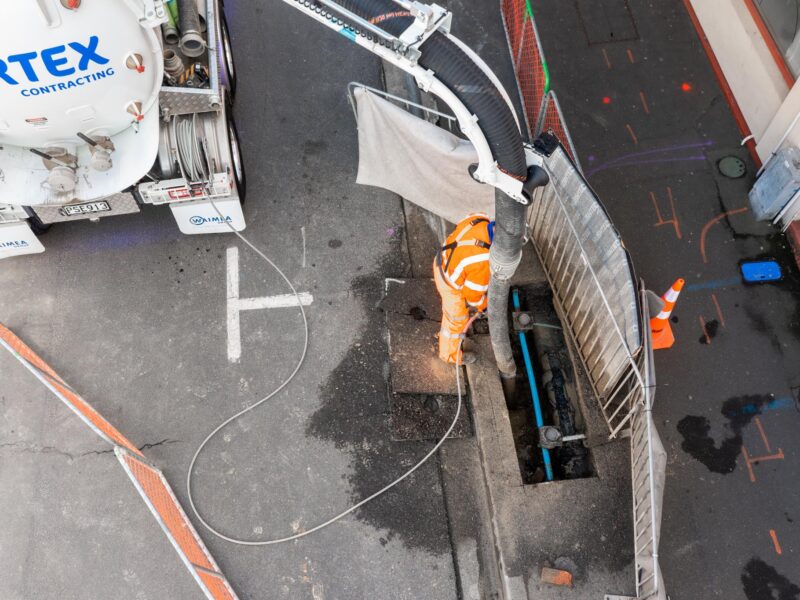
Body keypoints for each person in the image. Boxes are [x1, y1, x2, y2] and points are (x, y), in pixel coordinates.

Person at [433, 213, 494, 365]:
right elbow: (472, 295)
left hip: (441, 260)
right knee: (456, 321)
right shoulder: (483, 261)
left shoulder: (480, 219)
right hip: (449, 284)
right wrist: (484, 305)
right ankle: (450, 356)